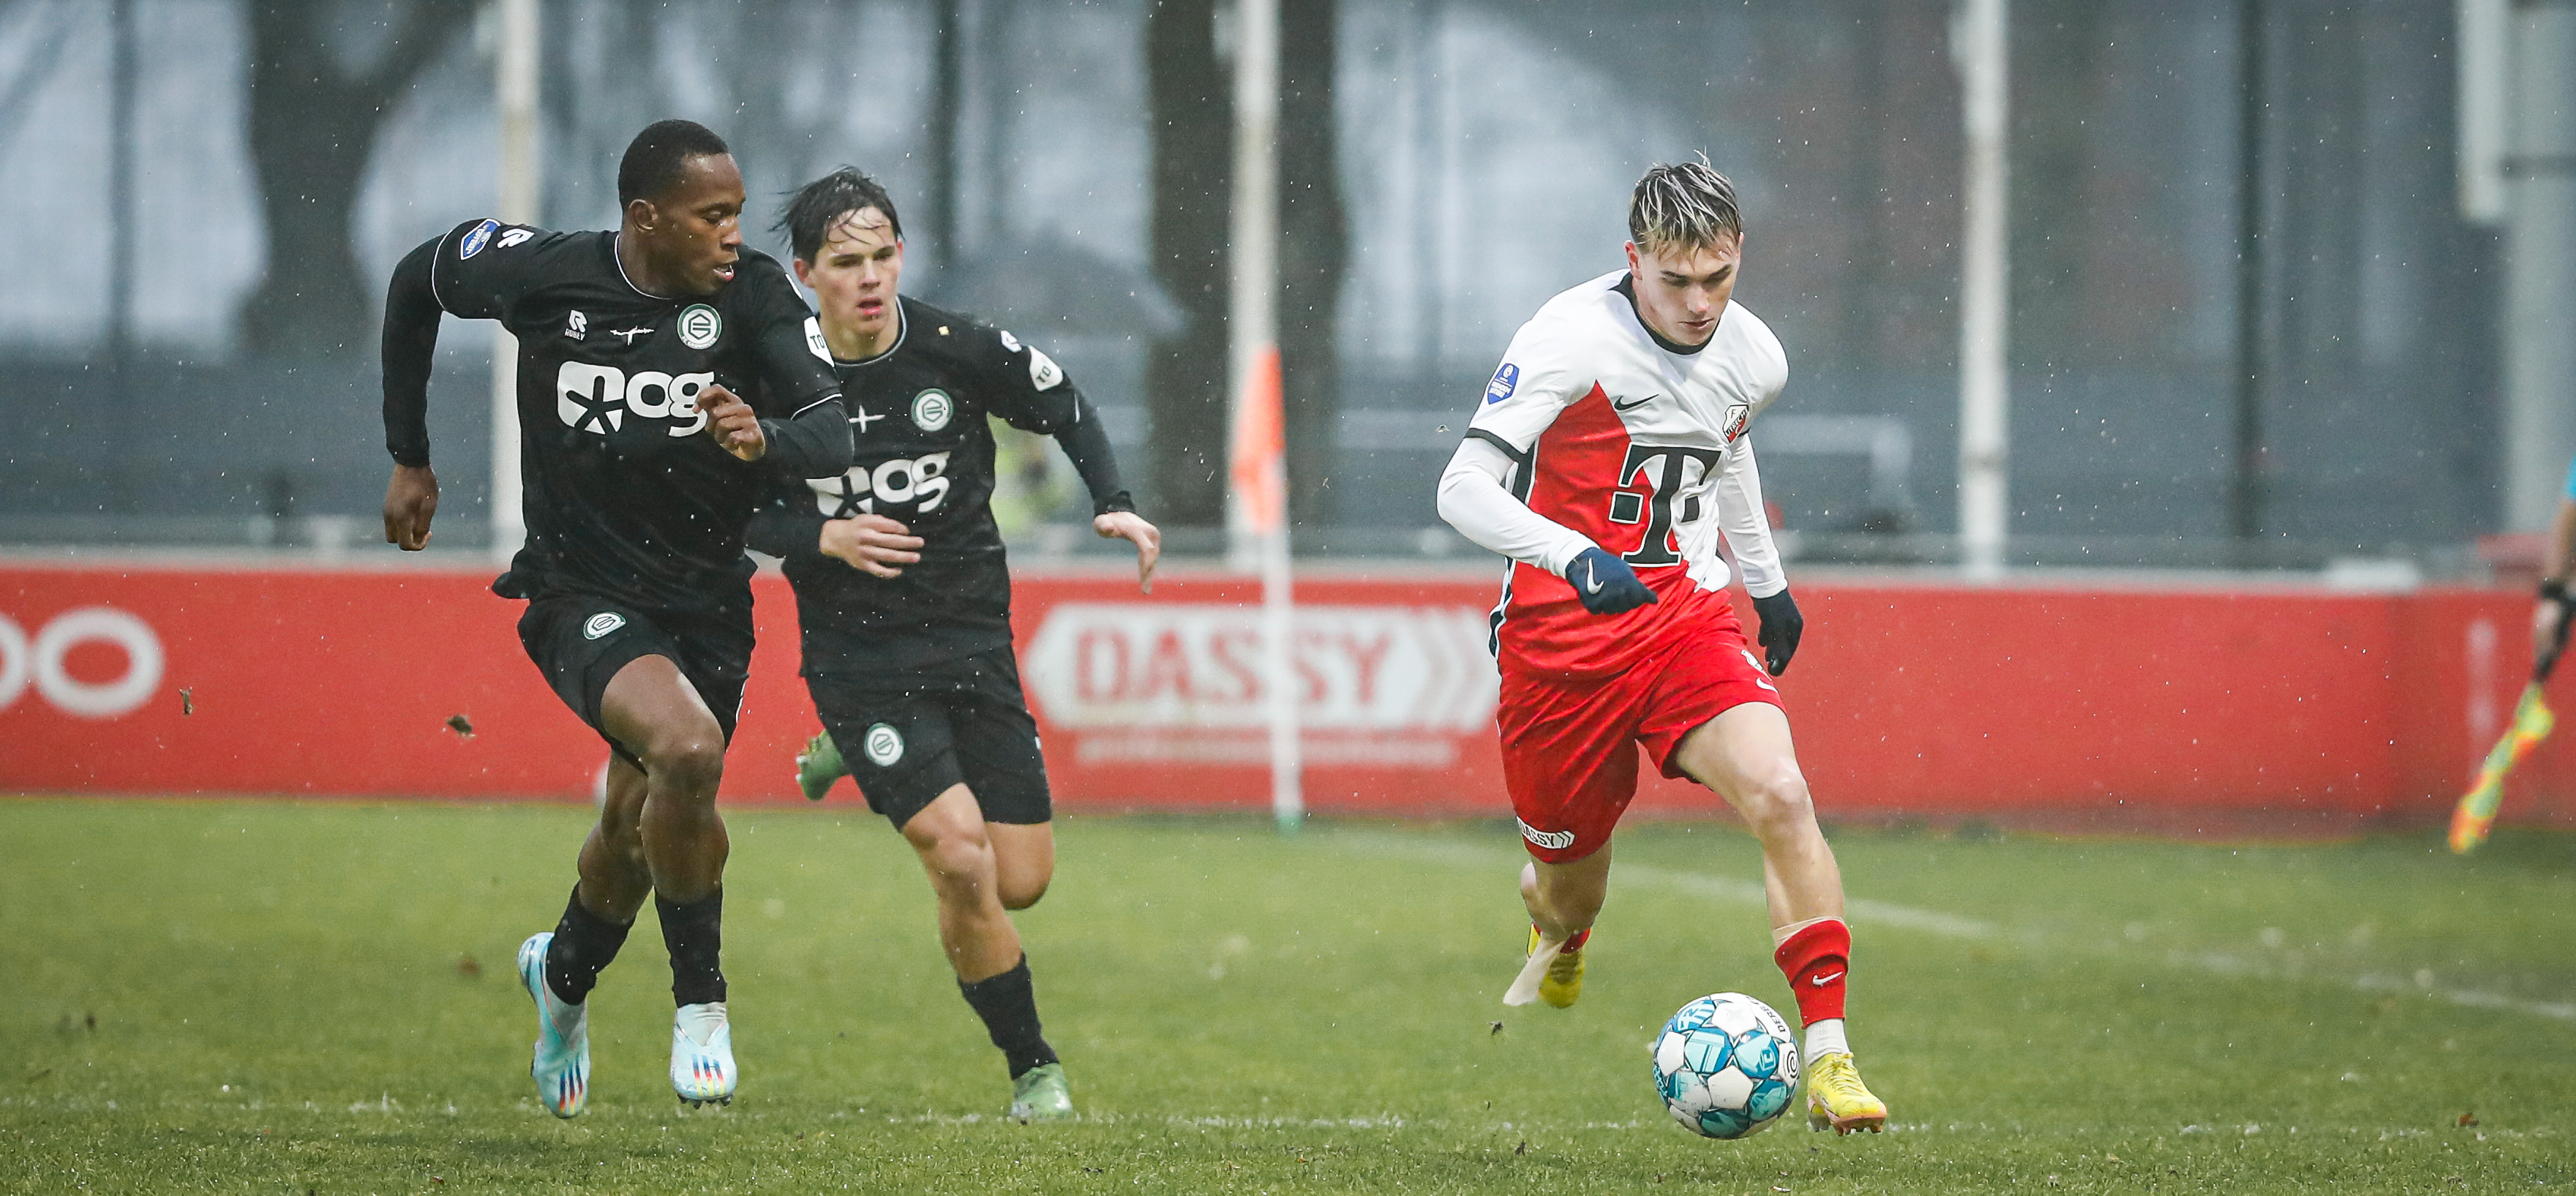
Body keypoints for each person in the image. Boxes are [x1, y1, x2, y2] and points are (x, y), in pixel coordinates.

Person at [378, 120, 851, 1116]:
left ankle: (560, 982)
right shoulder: (542, 275)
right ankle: (703, 1005)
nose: (733, 234)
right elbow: (416, 282)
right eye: (712, 215)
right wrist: (410, 454)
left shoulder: (756, 296)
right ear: (646, 217)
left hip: (709, 605)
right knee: (684, 753)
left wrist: (760, 435)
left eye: (736, 213)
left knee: (634, 833)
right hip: (577, 591)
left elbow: (831, 429)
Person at [1432, 159, 1888, 1135]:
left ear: (1737, 261)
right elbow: (1459, 488)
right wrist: (1570, 554)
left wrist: (1761, 577)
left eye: (1716, 279)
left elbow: (1722, 439)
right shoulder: (1565, 340)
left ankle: (1830, 1059)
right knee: (1564, 889)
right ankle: (1563, 928)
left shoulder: (1756, 354)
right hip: (1560, 647)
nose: (1696, 304)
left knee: (1780, 792)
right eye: (1673, 281)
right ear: (1631, 259)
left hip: (1683, 617)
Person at [746, 168, 1159, 1122]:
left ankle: (851, 757)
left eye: (883, 255)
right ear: (804, 272)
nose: (868, 277)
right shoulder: (769, 377)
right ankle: (1033, 1069)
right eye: (845, 261)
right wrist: (821, 537)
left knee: (1021, 880)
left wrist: (1115, 504)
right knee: (961, 861)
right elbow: (714, 502)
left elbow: (1062, 402)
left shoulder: (953, 348)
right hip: (858, 659)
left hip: (973, 645)